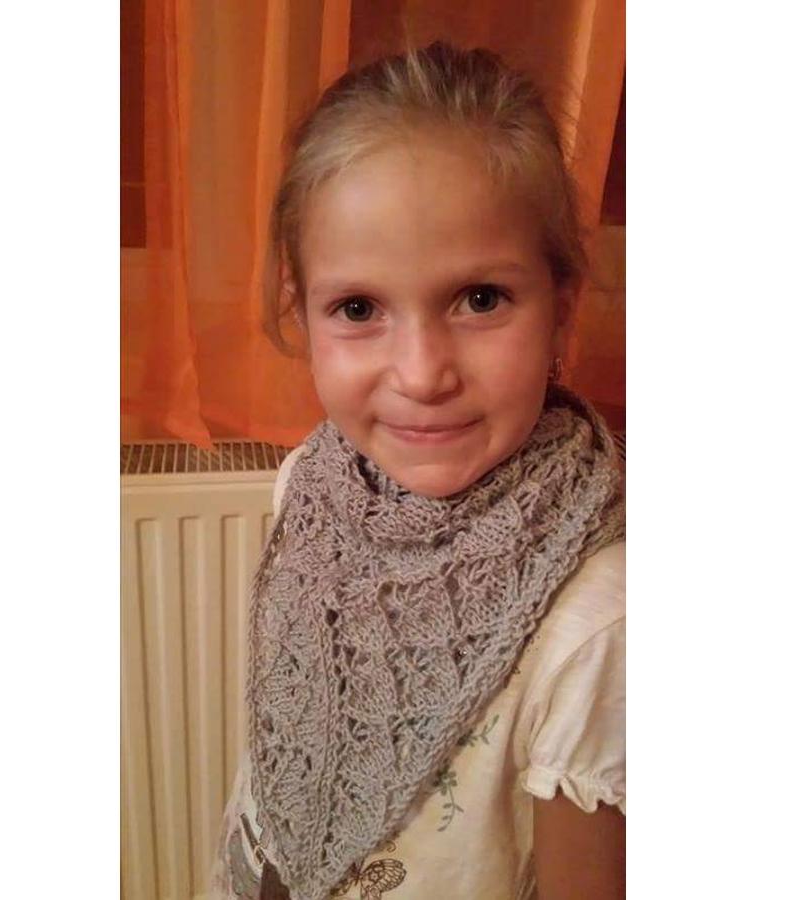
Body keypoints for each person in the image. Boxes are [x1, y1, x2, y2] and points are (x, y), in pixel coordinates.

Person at [211, 41, 625, 900]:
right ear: (301, 314)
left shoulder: (603, 627)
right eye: (358, 307)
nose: (423, 373)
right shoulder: (310, 483)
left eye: (480, 298)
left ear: (562, 312)